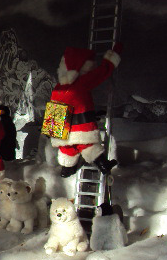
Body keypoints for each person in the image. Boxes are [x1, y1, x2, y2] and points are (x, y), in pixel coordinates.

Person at [48, 44, 122, 177]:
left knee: (67, 148)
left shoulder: (58, 88)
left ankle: (66, 169)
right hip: (80, 126)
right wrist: (113, 56)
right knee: (87, 145)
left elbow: (54, 112)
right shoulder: (81, 83)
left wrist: (54, 132)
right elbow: (102, 72)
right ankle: (103, 165)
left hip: (60, 127)